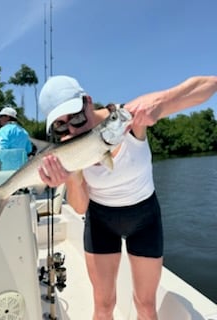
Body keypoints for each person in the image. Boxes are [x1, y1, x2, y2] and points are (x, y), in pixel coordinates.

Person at [38, 75, 217, 320]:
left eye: (77, 117)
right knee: (103, 305)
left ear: (88, 101)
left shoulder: (126, 117)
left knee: (145, 305)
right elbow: (80, 208)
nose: (72, 129)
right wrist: (70, 174)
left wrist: (162, 102)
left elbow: (201, 90)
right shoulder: (69, 149)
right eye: (60, 126)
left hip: (144, 218)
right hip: (101, 221)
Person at [0, 106, 32, 171]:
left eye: (1, 116)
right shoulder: (24, 132)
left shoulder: (4, 130)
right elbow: (28, 150)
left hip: (8, 170)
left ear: (7, 117)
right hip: (22, 170)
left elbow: (3, 147)